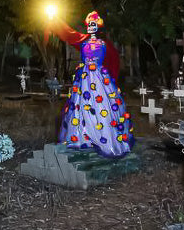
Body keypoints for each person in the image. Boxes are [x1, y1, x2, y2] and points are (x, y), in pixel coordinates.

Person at [47, 11, 135, 158]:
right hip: (84, 79)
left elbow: (113, 60)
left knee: (101, 107)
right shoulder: (84, 42)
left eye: (93, 24)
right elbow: (71, 34)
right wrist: (56, 21)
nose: (90, 27)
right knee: (80, 108)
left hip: (100, 79)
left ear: (98, 27)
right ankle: (83, 137)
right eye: (88, 25)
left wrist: (112, 78)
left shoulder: (104, 44)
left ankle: (103, 136)